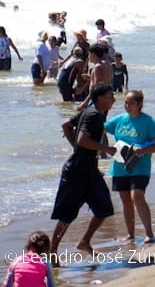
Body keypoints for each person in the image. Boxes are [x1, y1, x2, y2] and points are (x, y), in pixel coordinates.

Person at [50, 83, 117, 261]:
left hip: (90, 171)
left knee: (104, 208)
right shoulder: (94, 114)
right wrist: (105, 148)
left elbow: (66, 125)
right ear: (100, 98)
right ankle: (52, 253)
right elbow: (82, 139)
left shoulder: (91, 111)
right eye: (111, 96)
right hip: (77, 173)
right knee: (67, 215)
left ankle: (84, 241)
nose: (114, 99)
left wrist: (77, 148)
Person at [104, 90, 155, 243]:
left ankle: (149, 233)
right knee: (125, 200)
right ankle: (130, 234)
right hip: (119, 166)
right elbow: (101, 128)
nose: (127, 106)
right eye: (125, 103)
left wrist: (143, 149)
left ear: (139, 104)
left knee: (137, 195)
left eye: (131, 103)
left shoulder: (148, 121)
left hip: (141, 166)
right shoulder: (119, 120)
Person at [77, 44, 112, 111]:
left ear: (93, 54)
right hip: (105, 98)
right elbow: (104, 81)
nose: (88, 56)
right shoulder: (108, 64)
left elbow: (96, 88)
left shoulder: (97, 67)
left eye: (89, 54)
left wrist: (84, 103)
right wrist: (91, 77)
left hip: (96, 100)